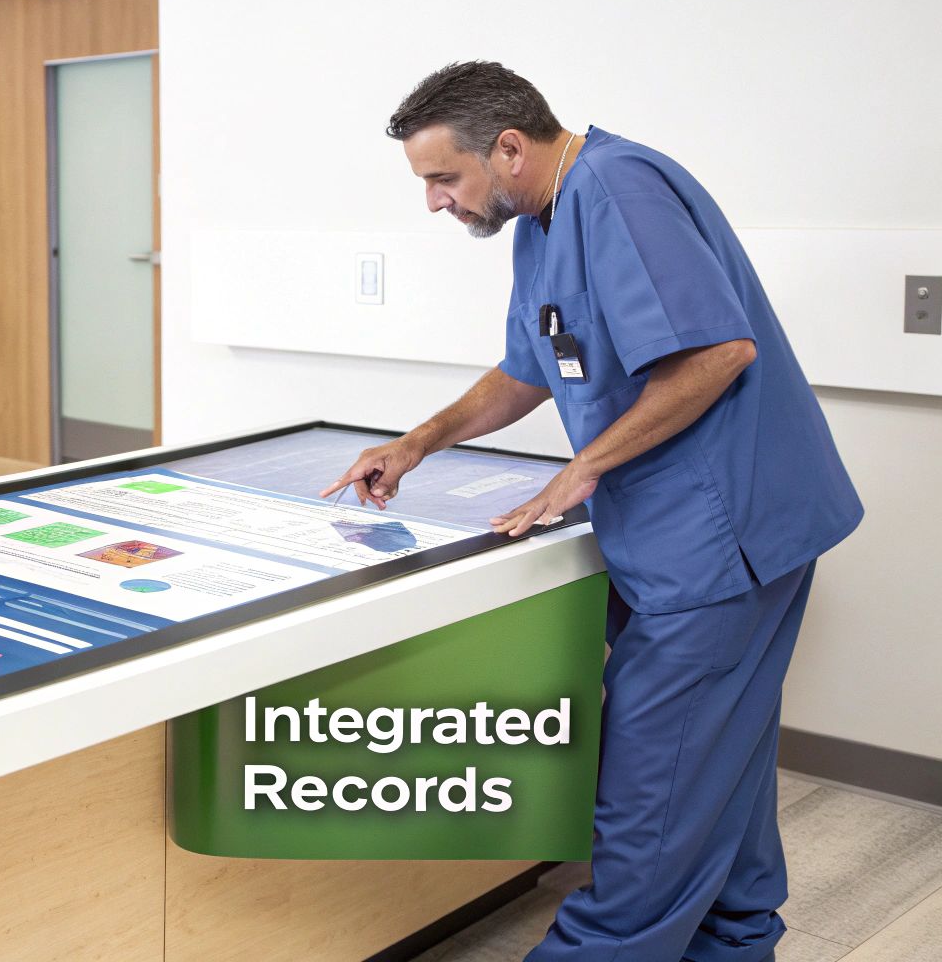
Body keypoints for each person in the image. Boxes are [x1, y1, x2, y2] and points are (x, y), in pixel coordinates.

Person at [322, 62, 862, 961]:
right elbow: (526, 370)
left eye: (442, 178)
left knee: (653, 787)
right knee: (713, 763)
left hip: (722, 536)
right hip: (683, 532)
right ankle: (734, 940)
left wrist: (581, 470)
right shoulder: (539, 224)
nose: (434, 203)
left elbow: (718, 353)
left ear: (509, 148)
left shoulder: (617, 187)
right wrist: (418, 441)